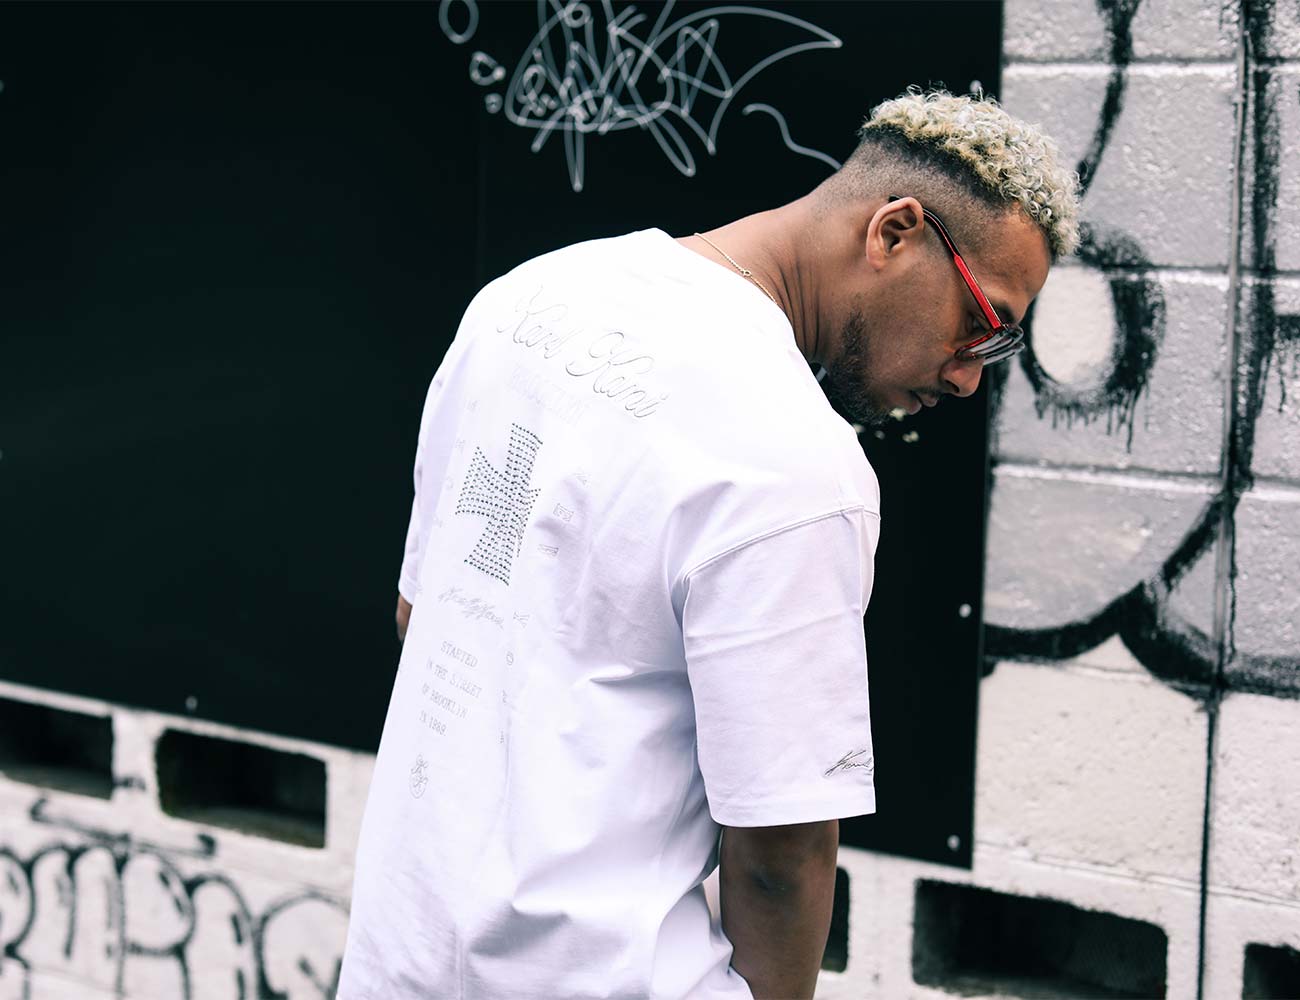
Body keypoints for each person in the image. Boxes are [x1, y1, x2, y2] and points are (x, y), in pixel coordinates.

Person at [337, 88, 1079, 1000]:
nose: (969, 377)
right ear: (895, 233)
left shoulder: (525, 298)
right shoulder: (797, 465)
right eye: (982, 323)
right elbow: (781, 853)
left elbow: (421, 614)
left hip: (398, 958)